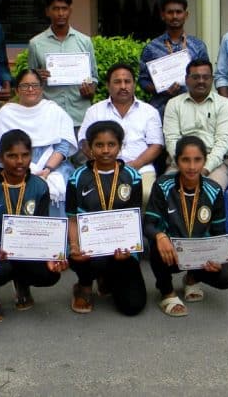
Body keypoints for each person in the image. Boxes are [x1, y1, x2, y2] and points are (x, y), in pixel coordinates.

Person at [0, 129, 67, 323]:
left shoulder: (40, 186)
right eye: (12, 156)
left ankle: (22, 282)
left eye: (25, 155)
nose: (19, 161)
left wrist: (51, 256)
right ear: (0, 157)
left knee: (50, 274)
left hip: (28, 250)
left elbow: (43, 227)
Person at [145, 136, 228, 317]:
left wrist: (218, 257)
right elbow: (148, 224)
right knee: (156, 243)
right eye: (186, 160)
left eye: (197, 160)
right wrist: (160, 236)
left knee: (226, 277)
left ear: (204, 161)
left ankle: (192, 277)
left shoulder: (213, 190)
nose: (192, 166)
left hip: (199, 254)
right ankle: (167, 292)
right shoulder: (163, 185)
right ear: (177, 161)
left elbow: (219, 233)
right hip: (171, 252)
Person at [66, 121, 147, 316]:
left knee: (133, 306)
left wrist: (129, 249)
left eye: (111, 144)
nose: (105, 150)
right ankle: (84, 286)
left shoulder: (133, 177)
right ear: (90, 147)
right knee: (79, 257)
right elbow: (73, 219)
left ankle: (107, 278)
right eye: (99, 145)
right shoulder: (76, 178)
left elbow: (133, 218)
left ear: (120, 146)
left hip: (122, 250)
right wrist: (75, 246)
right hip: (89, 250)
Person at [0, 69, 77, 217]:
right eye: (24, 85)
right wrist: (24, 171)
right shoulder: (6, 113)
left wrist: (47, 170)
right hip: (13, 170)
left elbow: (63, 145)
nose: (30, 89)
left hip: (53, 167)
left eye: (35, 85)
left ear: (41, 88)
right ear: (16, 90)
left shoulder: (54, 110)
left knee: (61, 186)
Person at [80, 63, 163, 203]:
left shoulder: (149, 112)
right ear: (108, 85)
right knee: (92, 197)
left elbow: (156, 145)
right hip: (101, 168)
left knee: (147, 194)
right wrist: (105, 164)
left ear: (134, 84)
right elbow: (84, 142)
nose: (123, 86)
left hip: (140, 169)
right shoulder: (94, 111)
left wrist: (136, 164)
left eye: (127, 81)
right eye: (117, 82)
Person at [26, 0, 98, 131]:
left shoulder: (84, 41)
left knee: (81, 154)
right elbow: (30, 81)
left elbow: (94, 77)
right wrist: (37, 77)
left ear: (70, 10)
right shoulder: (36, 44)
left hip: (80, 115)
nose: (60, 13)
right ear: (47, 11)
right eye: (55, 9)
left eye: (64, 8)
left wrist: (91, 89)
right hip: (49, 118)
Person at [163, 58, 228, 189]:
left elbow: (223, 143)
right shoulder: (174, 104)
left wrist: (204, 169)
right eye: (196, 77)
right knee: (167, 191)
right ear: (186, 79)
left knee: (210, 191)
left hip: (214, 164)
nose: (201, 81)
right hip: (179, 162)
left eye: (205, 77)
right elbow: (171, 140)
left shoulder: (224, 104)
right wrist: (185, 166)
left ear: (212, 80)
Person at [138, 0, 209, 113]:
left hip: (193, 109)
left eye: (178, 12)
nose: (175, 16)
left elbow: (207, 77)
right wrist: (161, 89)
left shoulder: (198, 46)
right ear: (162, 15)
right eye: (170, 12)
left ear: (186, 15)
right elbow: (143, 81)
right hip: (162, 110)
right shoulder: (151, 48)